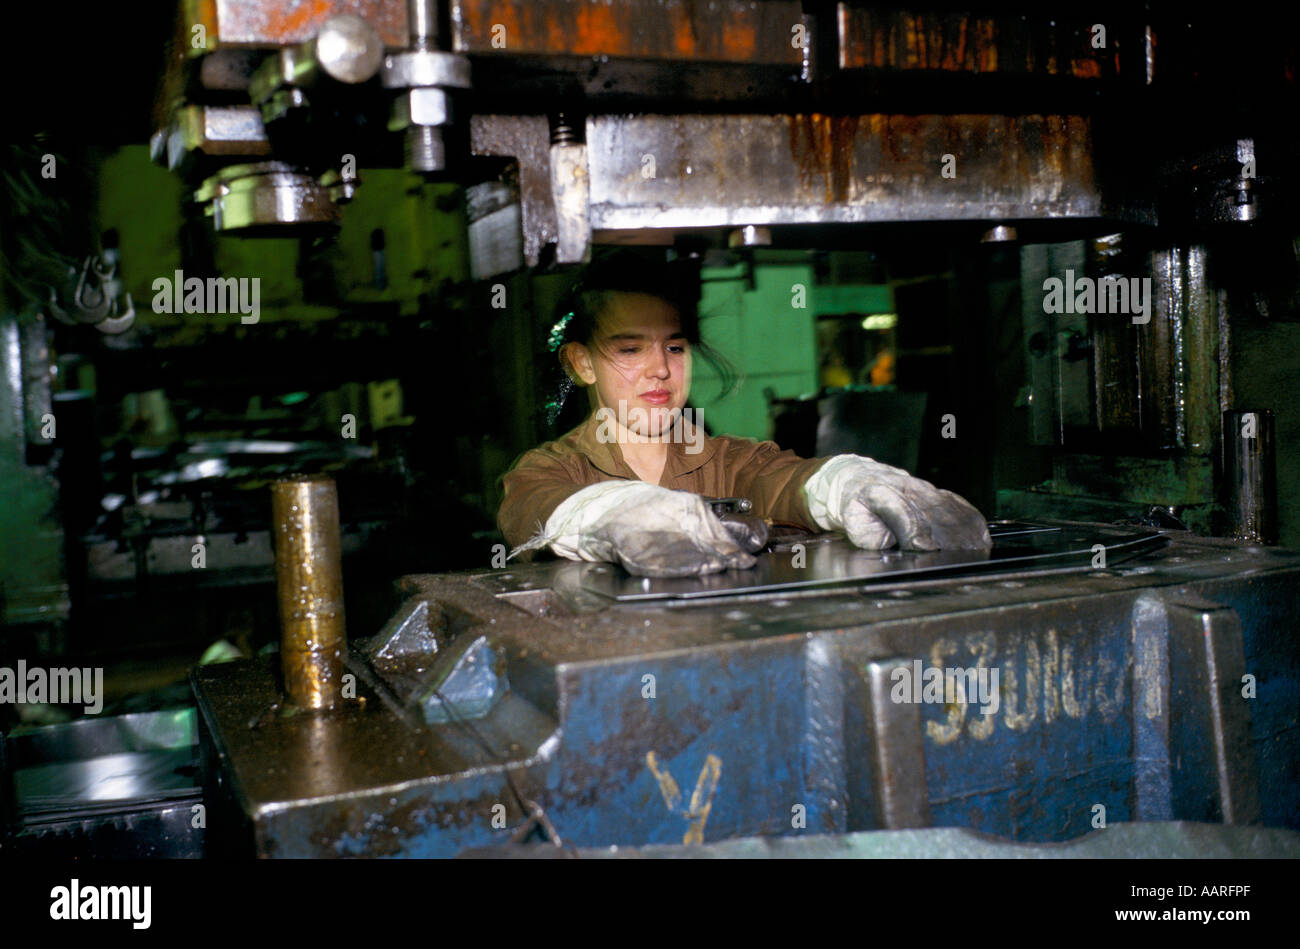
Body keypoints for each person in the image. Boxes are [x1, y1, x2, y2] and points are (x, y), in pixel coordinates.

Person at [497, 251, 991, 578]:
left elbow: (783, 480)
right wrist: (607, 513)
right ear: (582, 362)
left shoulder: (727, 460)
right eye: (629, 349)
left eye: (675, 346)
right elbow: (532, 506)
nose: (661, 370)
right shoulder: (550, 469)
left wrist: (845, 482)